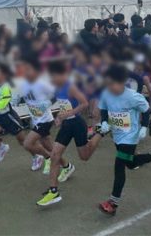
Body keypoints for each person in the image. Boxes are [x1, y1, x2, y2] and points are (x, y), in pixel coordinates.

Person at [96, 63, 151, 216]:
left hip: (130, 136)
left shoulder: (132, 96)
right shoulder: (106, 93)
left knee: (119, 165)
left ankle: (113, 203)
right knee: (130, 163)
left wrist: (144, 126)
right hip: (117, 135)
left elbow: (146, 110)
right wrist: (104, 121)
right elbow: (104, 108)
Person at [36, 60, 105, 207]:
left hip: (77, 124)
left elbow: (84, 103)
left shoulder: (70, 86)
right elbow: (61, 105)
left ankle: (100, 133)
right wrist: (58, 117)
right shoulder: (57, 87)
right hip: (66, 125)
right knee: (55, 155)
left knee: (84, 156)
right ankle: (53, 192)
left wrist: (67, 114)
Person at [15, 55, 55, 174]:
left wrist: (46, 104)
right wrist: (15, 99)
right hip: (36, 119)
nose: (26, 72)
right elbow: (19, 99)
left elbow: (56, 94)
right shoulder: (22, 85)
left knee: (28, 143)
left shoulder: (41, 83)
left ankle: (47, 158)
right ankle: (65, 165)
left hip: (45, 120)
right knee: (49, 146)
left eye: (29, 69)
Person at [0, 64, 27, 164]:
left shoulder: (6, 87)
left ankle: (37, 156)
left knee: (24, 142)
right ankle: (2, 148)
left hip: (10, 118)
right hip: (0, 118)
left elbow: (1, 106)